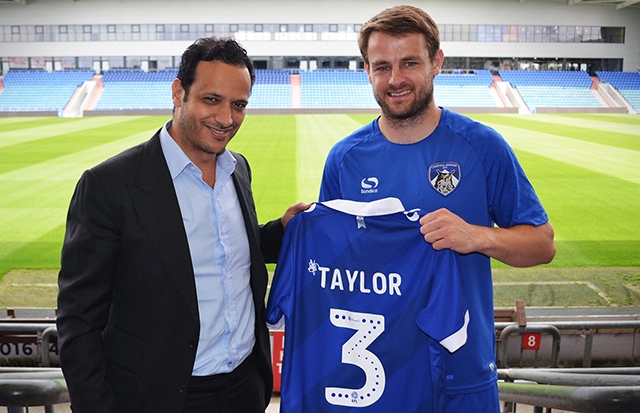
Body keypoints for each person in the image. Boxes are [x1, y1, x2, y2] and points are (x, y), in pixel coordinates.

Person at [318, 5, 556, 413]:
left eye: (409, 63)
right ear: (367, 70)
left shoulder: (482, 147)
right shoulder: (345, 159)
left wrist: (478, 236)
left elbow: (543, 244)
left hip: (462, 375)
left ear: (437, 62)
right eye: (382, 67)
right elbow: (331, 270)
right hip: (375, 376)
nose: (395, 79)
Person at [57, 36, 307, 413]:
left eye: (238, 105)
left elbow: (220, 248)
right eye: (212, 100)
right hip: (159, 397)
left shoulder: (238, 169)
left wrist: (281, 232)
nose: (226, 119)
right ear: (179, 93)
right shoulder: (108, 186)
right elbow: (78, 323)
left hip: (244, 388)